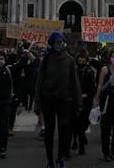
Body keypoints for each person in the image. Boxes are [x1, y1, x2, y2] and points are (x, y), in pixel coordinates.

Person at [34, 32, 81, 168]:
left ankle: (60, 158)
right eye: (57, 42)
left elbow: (75, 82)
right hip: (48, 99)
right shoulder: (47, 60)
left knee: (64, 131)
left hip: (65, 100)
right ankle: (50, 161)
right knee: (49, 132)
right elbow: (39, 82)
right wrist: (37, 102)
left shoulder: (70, 60)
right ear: (51, 44)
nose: (59, 44)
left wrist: (78, 102)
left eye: (61, 42)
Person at [74, 50, 98, 156]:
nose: (81, 63)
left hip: (86, 100)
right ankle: (77, 141)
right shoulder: (73, 70)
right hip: (74, 99)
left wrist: (87, 95)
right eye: (79, 61)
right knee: (75, 122)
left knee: (84, 122)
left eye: (83, 61)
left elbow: (92, 87)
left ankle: (81, 136)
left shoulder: (89, 71)